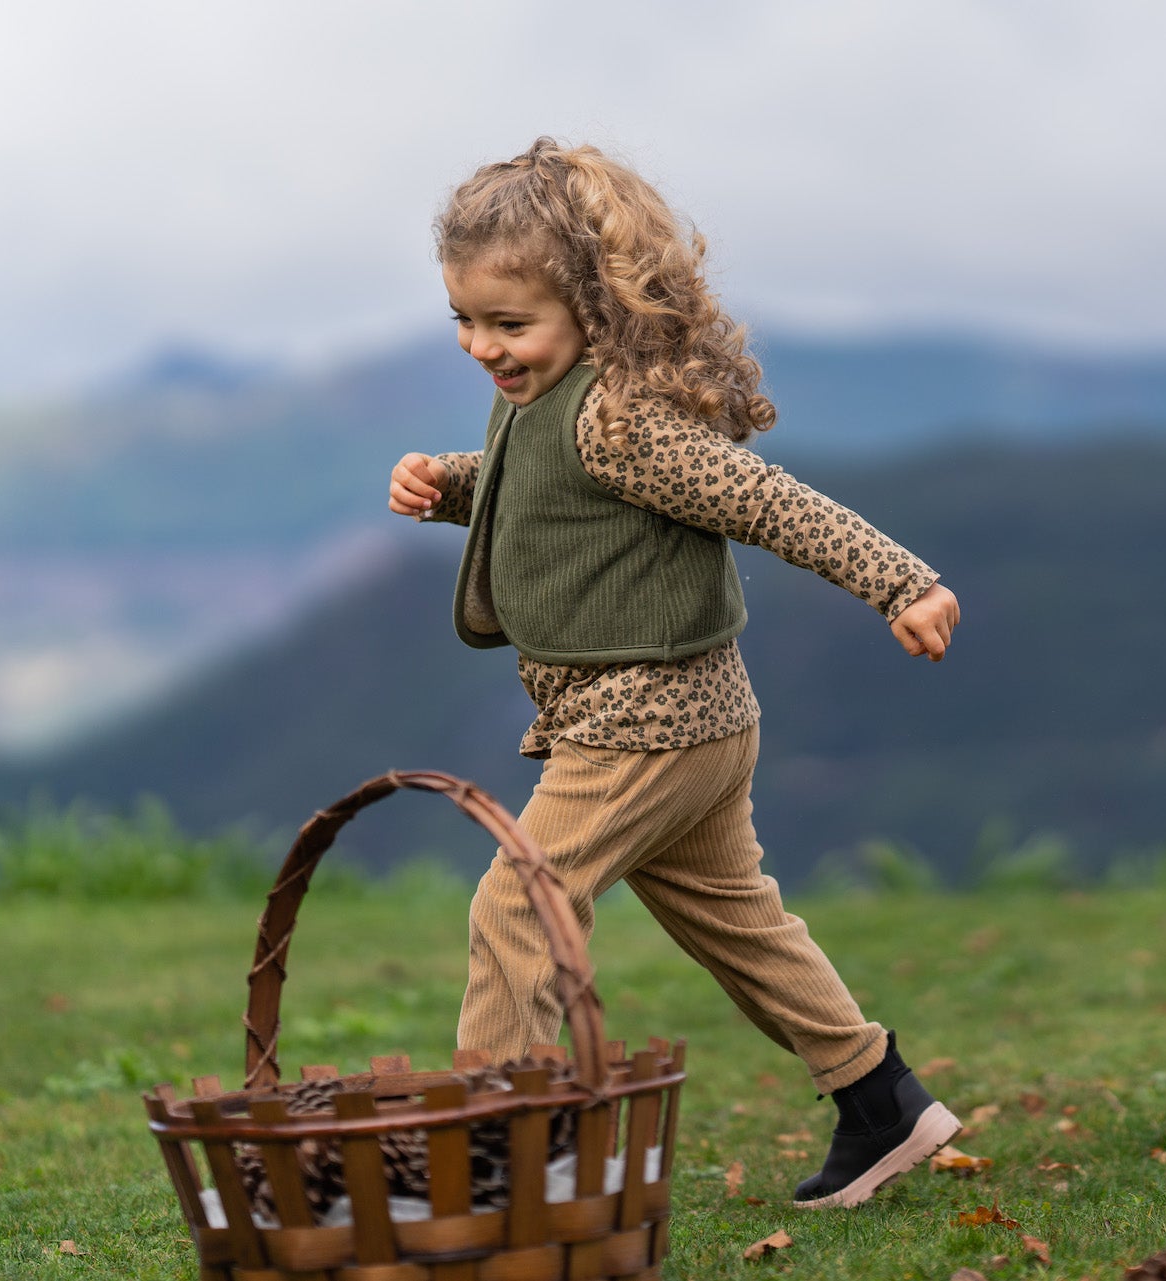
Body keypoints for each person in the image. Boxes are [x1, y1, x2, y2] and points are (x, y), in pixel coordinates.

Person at [386, 137, 963, 1209]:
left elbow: (764, 500)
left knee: (520, 908)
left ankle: (497, 1157)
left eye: (509, 324)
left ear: (595, 307)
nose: (482, 346)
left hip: (644, 724)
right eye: (463, 320)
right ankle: (880, 1098)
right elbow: (547, 495)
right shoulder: (542, 401)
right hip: (683, 721)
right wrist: (452, 484)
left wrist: (900, 581)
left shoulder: (623, 419)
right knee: (737, 923)